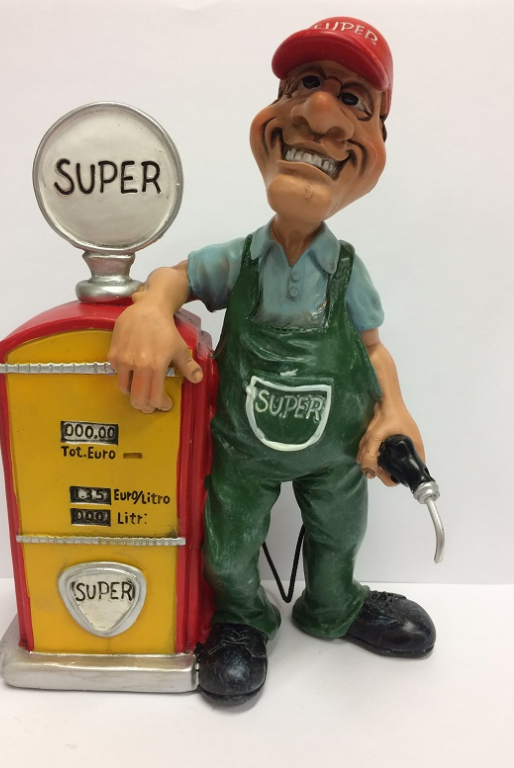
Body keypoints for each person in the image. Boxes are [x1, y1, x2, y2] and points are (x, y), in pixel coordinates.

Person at [108, 17, 436, 705]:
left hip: (335, 455)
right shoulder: (238, 260)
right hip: (243, 453)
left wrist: (394, 413)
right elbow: (176, 277)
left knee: (340, 533)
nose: (320, 112)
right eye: (306, 84)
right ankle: (240, 618)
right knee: (228, 546)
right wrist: (150, 307)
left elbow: (372, 350)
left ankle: (333, 604)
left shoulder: (347, 270)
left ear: (377, 141)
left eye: (354, 100)